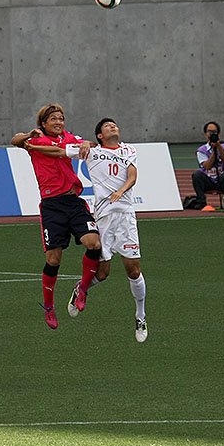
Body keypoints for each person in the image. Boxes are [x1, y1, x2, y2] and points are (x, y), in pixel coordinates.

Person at [11, 104, 103, 330]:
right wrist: (29, 135)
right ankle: (49, 306)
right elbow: (15, 140)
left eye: (61, 118)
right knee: (53, 260)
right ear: (43, 123)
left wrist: (85, 143)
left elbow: (88, 144)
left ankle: (82, 289)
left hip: (74, 202)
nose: (58, 122)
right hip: (52, 206)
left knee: (94, 243)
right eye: (53, 119)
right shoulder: (36, 141)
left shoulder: (68, 138)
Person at [68, 118, 148, 342]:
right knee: (102, 274)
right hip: (103, 218)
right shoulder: (92, 152)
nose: (113, 126)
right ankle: (80, 288)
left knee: (133, 270)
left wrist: (121, 191)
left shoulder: (129, 150)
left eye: (114, 124)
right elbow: (63, 148)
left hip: (126, 216)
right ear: (100, 135)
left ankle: (140, 316)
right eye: (107, 126)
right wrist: (83, 143)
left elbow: (132, 176)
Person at [190, 121, 224, 209]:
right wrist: (214, 151)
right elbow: (207, 166)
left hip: (222, 180)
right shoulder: (201, 150)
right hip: (208, 180)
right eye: (209, 132)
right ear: (205, 134)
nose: (212, 134)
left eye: (214, 132)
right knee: (197, 174)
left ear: (218, 133)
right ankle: (201, 201)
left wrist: (218, 147)